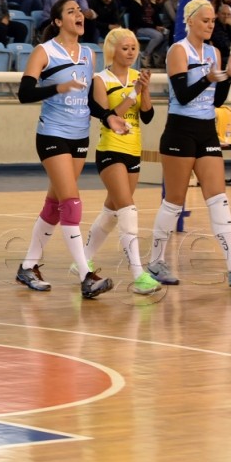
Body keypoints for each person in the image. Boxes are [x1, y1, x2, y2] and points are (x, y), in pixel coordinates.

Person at [148, 0, 231, 287]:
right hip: (180, 129)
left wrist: (228, 75)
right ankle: (155, 262)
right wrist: (209, 77)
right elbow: (183, 95)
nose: (210, 25)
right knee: (174, 201)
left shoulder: (214, 53)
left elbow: (217, 99)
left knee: (218, 197)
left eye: (213, 21)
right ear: (190, 21)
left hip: (206, 129)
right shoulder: (178, 50)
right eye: (205, 20)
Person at [14, 0, 115, 298]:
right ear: (58, 21)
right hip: (52, 134)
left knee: (54, 206)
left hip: (79, 137)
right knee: (71, 203)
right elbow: (24, 93)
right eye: (71, 11)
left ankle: (28, 266)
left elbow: (90, 101)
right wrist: (57, 87)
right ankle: (86, 275)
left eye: (79, 10)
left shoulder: (88, 54)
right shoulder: (44, 51)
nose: (78, 14)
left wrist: (109, 116)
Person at [79, 29, 161, 295]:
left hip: (133, 150)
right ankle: (138, 275)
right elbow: (110, 117)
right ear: (112, 50)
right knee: (128, 209)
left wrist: (144, 91)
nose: (131, 52)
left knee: (112, 211)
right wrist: (133, 93)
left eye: (134, 48)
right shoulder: (100, 79)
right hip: (110, 150)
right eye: (125, 48)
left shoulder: (138, 77)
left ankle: (82, 259)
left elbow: (147, 116)